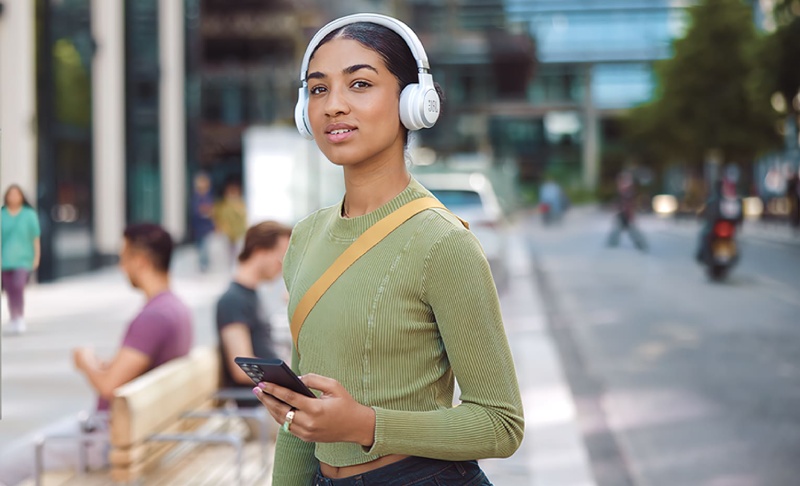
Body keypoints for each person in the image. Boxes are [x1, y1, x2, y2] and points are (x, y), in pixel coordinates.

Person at [252, 14, 523, 485]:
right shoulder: (305, 238)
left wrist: (366, 425)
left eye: (359, 84)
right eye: (318, 90)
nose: (334, 105)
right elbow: (301, 423)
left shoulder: (443, 243)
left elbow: (501, 424)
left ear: (414, 102)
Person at [73, 223, 193, 413]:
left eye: (124, 258)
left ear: (140, 262)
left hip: (115, 433)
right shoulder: (176, 307)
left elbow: (108, 387)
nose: (121, 267)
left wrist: (85, 360)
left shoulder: (153, 317)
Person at [216, 221, 292, 402]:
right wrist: (290, 380)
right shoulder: (233, 300)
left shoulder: (251, 295)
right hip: (259, 406)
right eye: (281, 256)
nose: (283, 265)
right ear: (260, 251)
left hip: (271, 400)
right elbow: (242, 368)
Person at [1, 185, 41, 335]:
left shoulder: (29, 215)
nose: (14, 197)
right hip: (5, 260)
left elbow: (35, 237)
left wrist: (37, 257)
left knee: (18, 286)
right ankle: (13, 318)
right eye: (11, 194)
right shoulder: (2, 214)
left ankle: (19, 317)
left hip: (23, 258)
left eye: (16, 194)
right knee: (10, 290)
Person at [695, 178, 743, 263]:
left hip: (718, 227)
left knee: (704, 235)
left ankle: (703, 255)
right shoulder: (734, 199)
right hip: (723, 227)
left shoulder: (715, 198)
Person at [606, 170, 647, 251]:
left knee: (632, 231)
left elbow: (628, 204)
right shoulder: (624, 191)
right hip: (622, 214)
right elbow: (620, 202)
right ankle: (611, 244)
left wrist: (625, 211)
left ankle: (641, 245)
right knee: (618, 230)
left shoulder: (627, 191)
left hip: (626, 215)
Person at [213, 178, 248, 269]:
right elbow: (219, 216)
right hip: (227, 231)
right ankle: (230, 265)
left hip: (237, 232)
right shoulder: (223, 205)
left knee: (237, 250)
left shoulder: (240, 204)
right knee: (228, 250)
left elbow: (243, 217)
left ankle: (234, 265)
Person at [190, 172, 216, 272]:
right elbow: (197, 211)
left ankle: (204, 264)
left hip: (206, 227)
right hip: (198, 226)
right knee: (201, 246)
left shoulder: (209, 196)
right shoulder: (196, 197)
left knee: (205, 246)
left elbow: (211, 210)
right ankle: (202, 264)